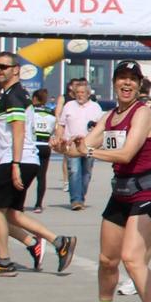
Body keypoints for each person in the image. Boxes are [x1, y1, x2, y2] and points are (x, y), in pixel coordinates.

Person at [73, 63, 151, 302]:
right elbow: (82, 147)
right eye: (122, 79)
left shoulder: (142, 113)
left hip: (149, 193)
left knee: (132, 258)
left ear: (139, 85)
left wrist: (88, 151)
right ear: (114, 83)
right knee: (106, 259)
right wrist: (65, 147)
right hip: (122, 193)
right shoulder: (110, 116)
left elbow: (126, 154)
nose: (126, 84)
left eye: (132, 80)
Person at [0, 53, 76, 277]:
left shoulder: (14, 96)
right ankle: (59, 242)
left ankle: (4, 262)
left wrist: (13, 164)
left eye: (4, 66)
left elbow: (18, 132)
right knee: (11, 214)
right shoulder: (11, 95)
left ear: (16, 70)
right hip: (20, 159)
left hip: (18, 159)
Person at [56, 78, 104, 210]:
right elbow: (61, 125)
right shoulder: (69, 106)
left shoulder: (95, 107)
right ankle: (76, 200)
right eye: (77, 92)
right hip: (71, 145)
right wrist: (59, 138)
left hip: (89, 144)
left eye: (83, 92)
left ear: (88, 93)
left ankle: (81, 196)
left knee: (86, 173)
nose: (80, 95)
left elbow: (101, 127)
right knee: (74, 170)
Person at [28, 88, 56, 211]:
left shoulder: (31, 111)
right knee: (41, 177)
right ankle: (38, 204)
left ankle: (18, 203)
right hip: (45, 146)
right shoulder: (51, 112)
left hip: (33, 144)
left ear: (34, 98)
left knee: (26, 176)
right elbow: (54, 129)